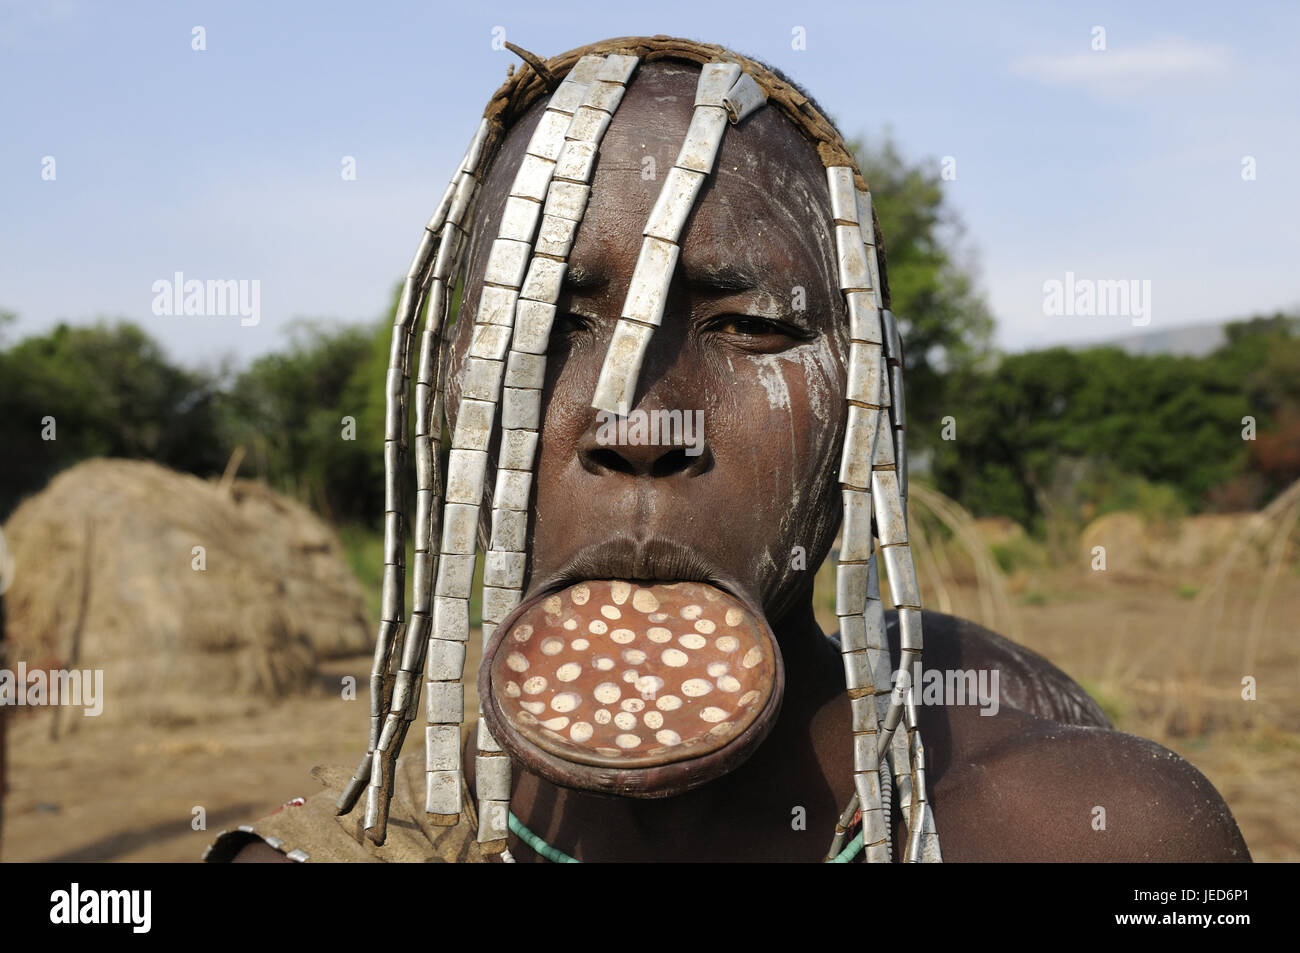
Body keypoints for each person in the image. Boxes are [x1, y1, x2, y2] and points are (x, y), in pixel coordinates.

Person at [209, 36, 1248, 863]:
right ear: (447, 394)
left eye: (748, 327)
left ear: (864, 395)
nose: (640, 426)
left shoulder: (1077, 833)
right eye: (545, 329)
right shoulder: (351, 847)